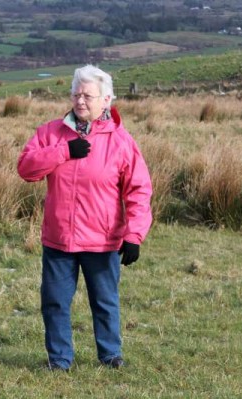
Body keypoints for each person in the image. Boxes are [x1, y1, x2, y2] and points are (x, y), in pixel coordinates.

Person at [17, 64, 153, 371]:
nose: (80, 101)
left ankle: (110, 356)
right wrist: (64, 151)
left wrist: (134, 235)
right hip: (59, 238)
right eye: (76, 94)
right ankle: (60, 360)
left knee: (104, 302)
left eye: (88, 95)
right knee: (54, 303)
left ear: (106, 100)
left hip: (102, 240)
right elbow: (26, 168)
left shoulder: (121, 140)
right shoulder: (51, 133)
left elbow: (139, 190)